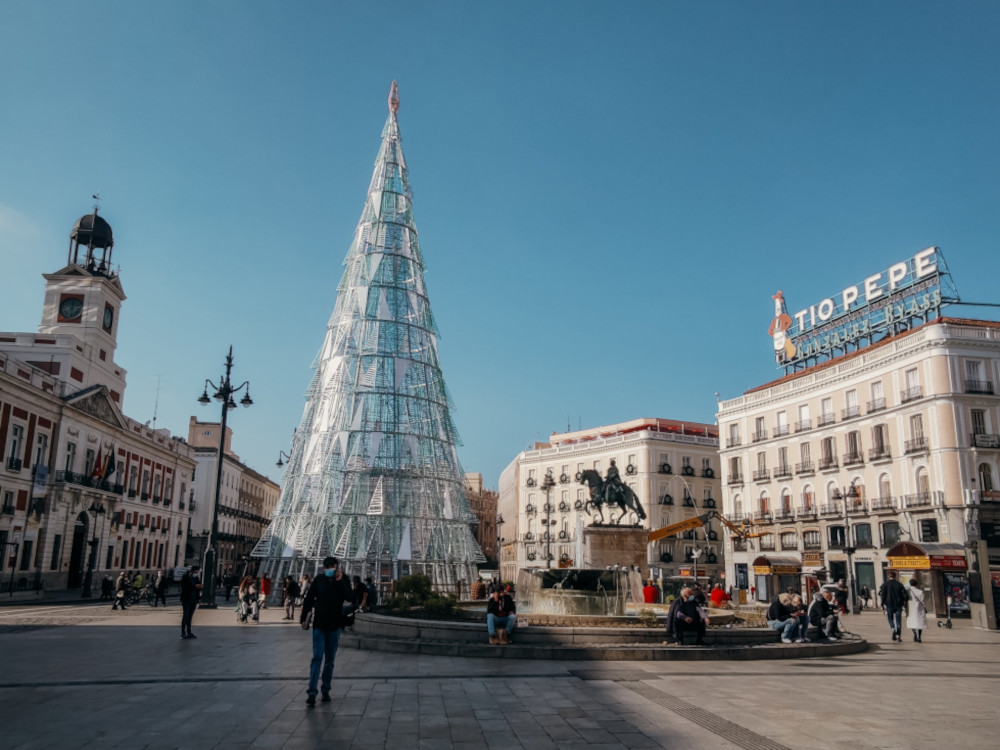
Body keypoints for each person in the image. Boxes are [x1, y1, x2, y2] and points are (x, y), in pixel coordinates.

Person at [300, 556, 354, 705]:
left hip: (335, 626)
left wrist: (340, 581)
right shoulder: (319, 580)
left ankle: (325, 690)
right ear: (324, 568)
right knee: (317, 658)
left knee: (329, 661)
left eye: (333, 567)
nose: (331, 569)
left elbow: (350, 597)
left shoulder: (343, 580)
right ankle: (312, 692)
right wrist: (304, 618)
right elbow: (309, 599)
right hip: (319, 625)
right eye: (328, 567)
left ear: (337, 568)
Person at [879, 571, 909, 642]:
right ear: (895, 577)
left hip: (889, 604)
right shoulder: (899, 584)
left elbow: (882, 595)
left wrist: (882, 604)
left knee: (890, 618)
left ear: (888, 577)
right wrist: (905, 602)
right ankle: (898, 636)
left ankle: (893, 628)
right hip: (898, 605)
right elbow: (905, 595)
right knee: (898, 620)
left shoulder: (885, 585)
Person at [179, 565, 202, 640]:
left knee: (190, 617)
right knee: (185, 615)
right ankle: (183, 633)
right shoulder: (185, 577)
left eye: (197, 571)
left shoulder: (196, 578)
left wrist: (199, 587)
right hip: (186, 598)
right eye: (196, 571)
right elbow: (184, 586)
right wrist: (195, 586)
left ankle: (189, 632)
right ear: (193, 570)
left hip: (194, 599)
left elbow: (198, 586)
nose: (197, 572)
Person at [906, 576, 927, 642]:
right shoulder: (920, 591)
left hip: (911, 607)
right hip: (919, 608)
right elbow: (923, 600)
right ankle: (919, 636)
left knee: (912, 621)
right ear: (916, 584)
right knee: (920, 622)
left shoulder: (908, 591)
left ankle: (915, 633)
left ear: (910, 584)